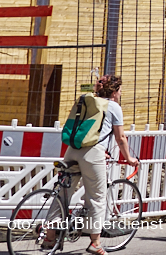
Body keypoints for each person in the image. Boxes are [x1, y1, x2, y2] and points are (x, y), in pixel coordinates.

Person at [62, 75, 138, 255]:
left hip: (72, 149)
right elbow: (120, 138)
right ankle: (95, 242)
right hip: (93, 153)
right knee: (97, 197)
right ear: (114, 92)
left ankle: (50, 235)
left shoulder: (88, 100)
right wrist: (129, 159)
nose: (120, 94)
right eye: (119, 91)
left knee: (63, 193)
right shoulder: (113, 107)